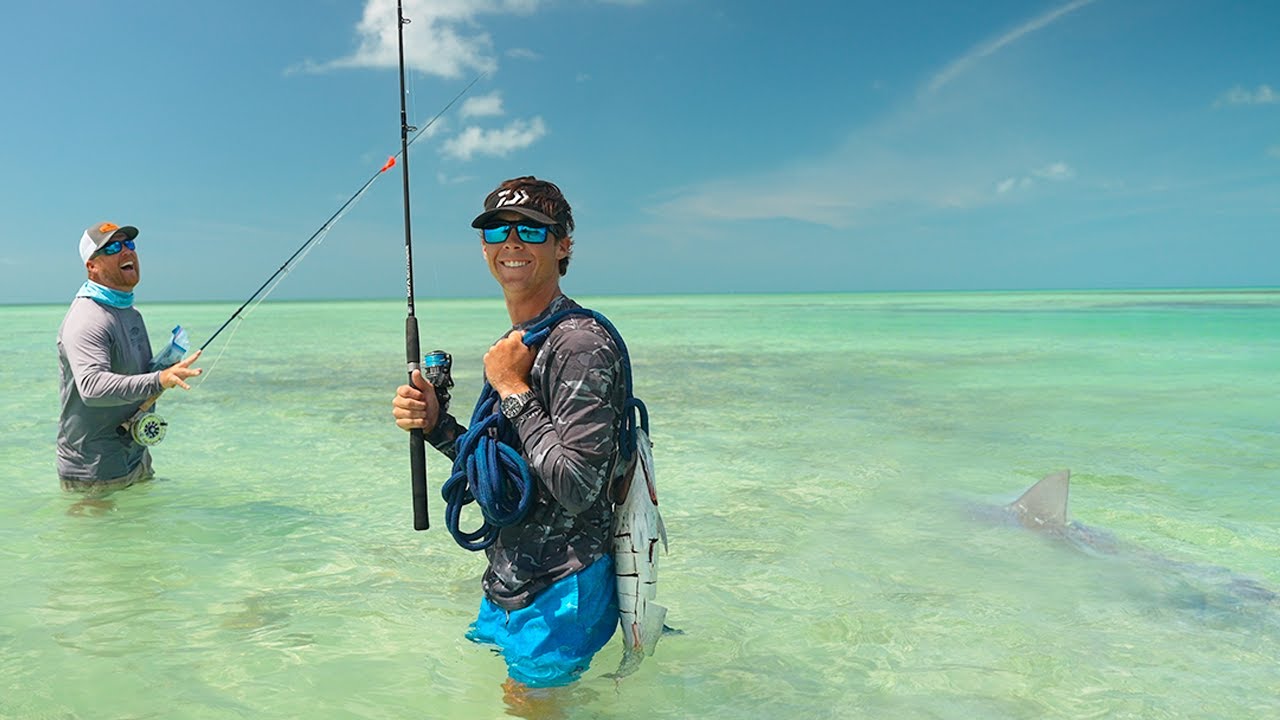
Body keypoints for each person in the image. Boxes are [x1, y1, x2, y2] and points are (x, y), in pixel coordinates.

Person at [392, 177, 627, 693]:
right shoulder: (516, 344)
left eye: (533, 231)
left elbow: (577, 487)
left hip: (562, 588)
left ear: (564, 245)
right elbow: (504, 468)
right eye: (497, 230)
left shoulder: (580, 344)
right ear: (484, 247)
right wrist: (437, 427)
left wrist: (509, 387)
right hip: (508, 579)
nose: (512, 242)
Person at [56, 221, 202, 495]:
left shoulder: (130, 313)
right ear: (92, 266)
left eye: (129, 244)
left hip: (137, 457)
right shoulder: (87, 318)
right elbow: (92, 388)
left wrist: (163, 371)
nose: (126, 251)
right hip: (94, 473)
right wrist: (159, 379)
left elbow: (133, 376)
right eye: (112, 247)